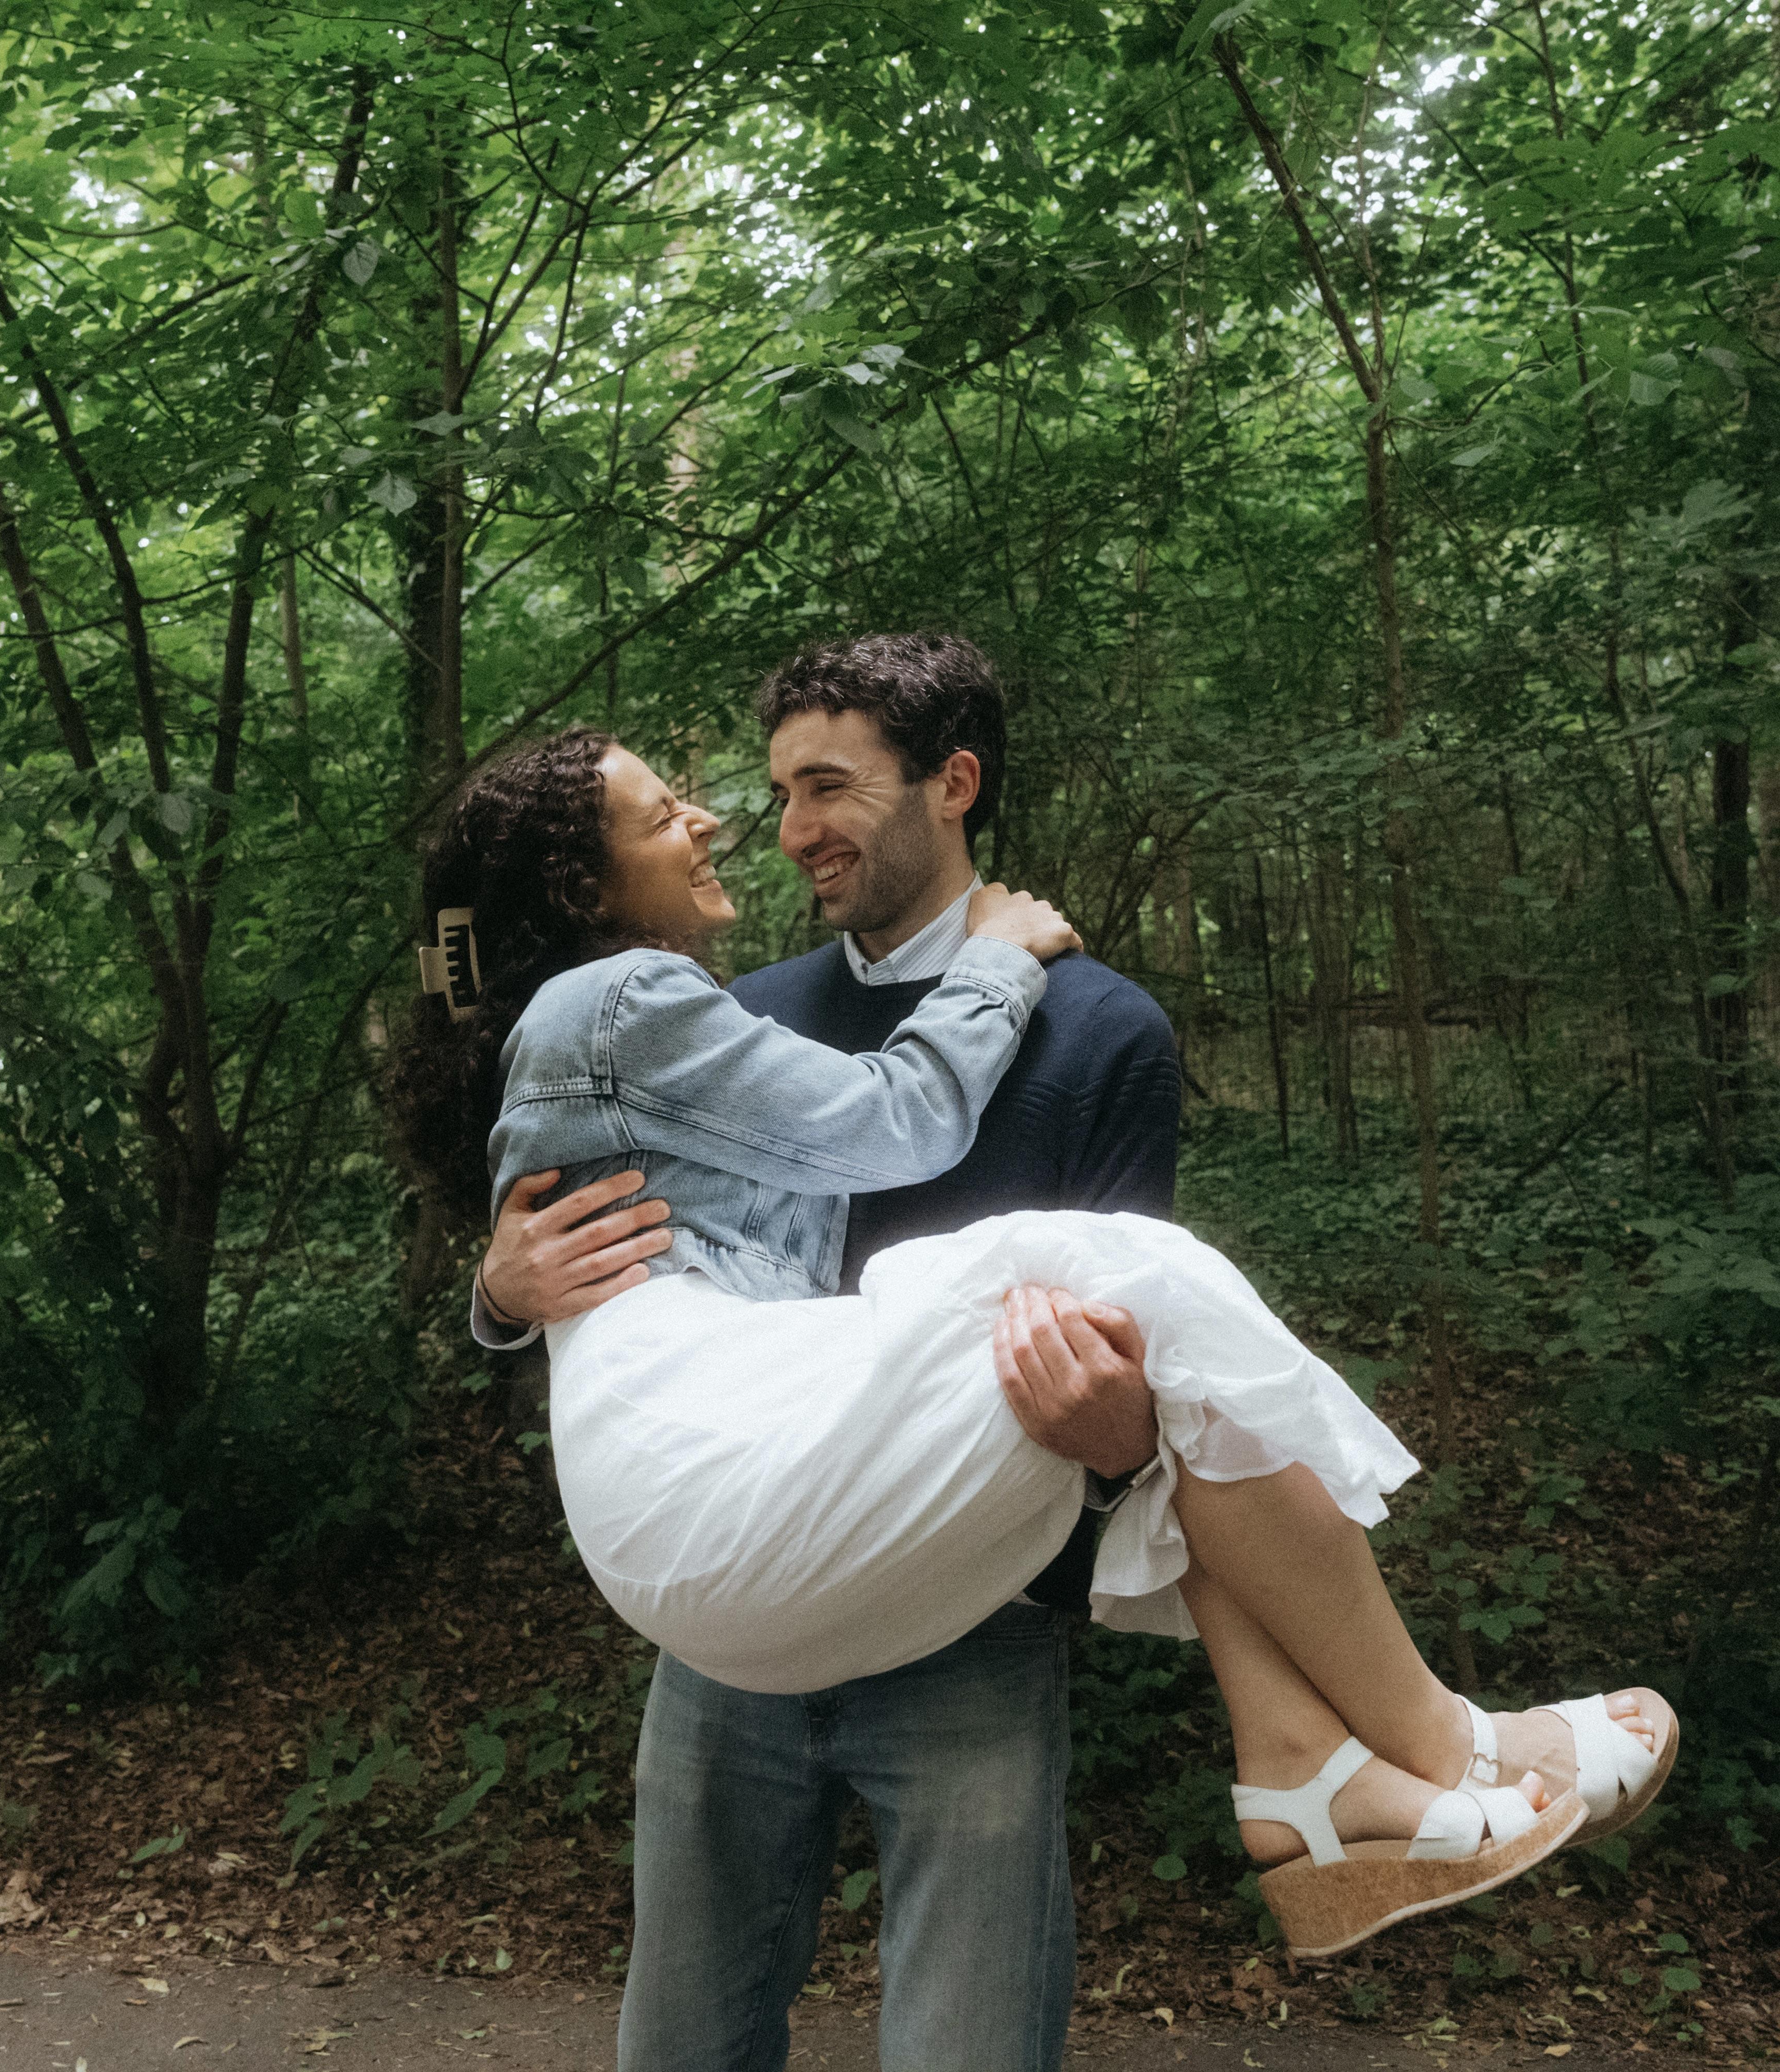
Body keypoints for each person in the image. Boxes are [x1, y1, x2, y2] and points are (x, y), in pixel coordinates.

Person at [410, 643, 1671, 2067]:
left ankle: (1341, 1770)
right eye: (773, 794)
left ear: (953, 785)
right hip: (752, 1558)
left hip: (971, 1614)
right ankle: (1385, 1758)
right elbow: (639, 1240)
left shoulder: (1104, 1028)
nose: (782, 830)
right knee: (685, 2035)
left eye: (826, 788)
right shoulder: (734, 1002)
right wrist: (503, 1290)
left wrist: (1128, 1436)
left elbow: (1152, 1385)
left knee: (976, 2040)